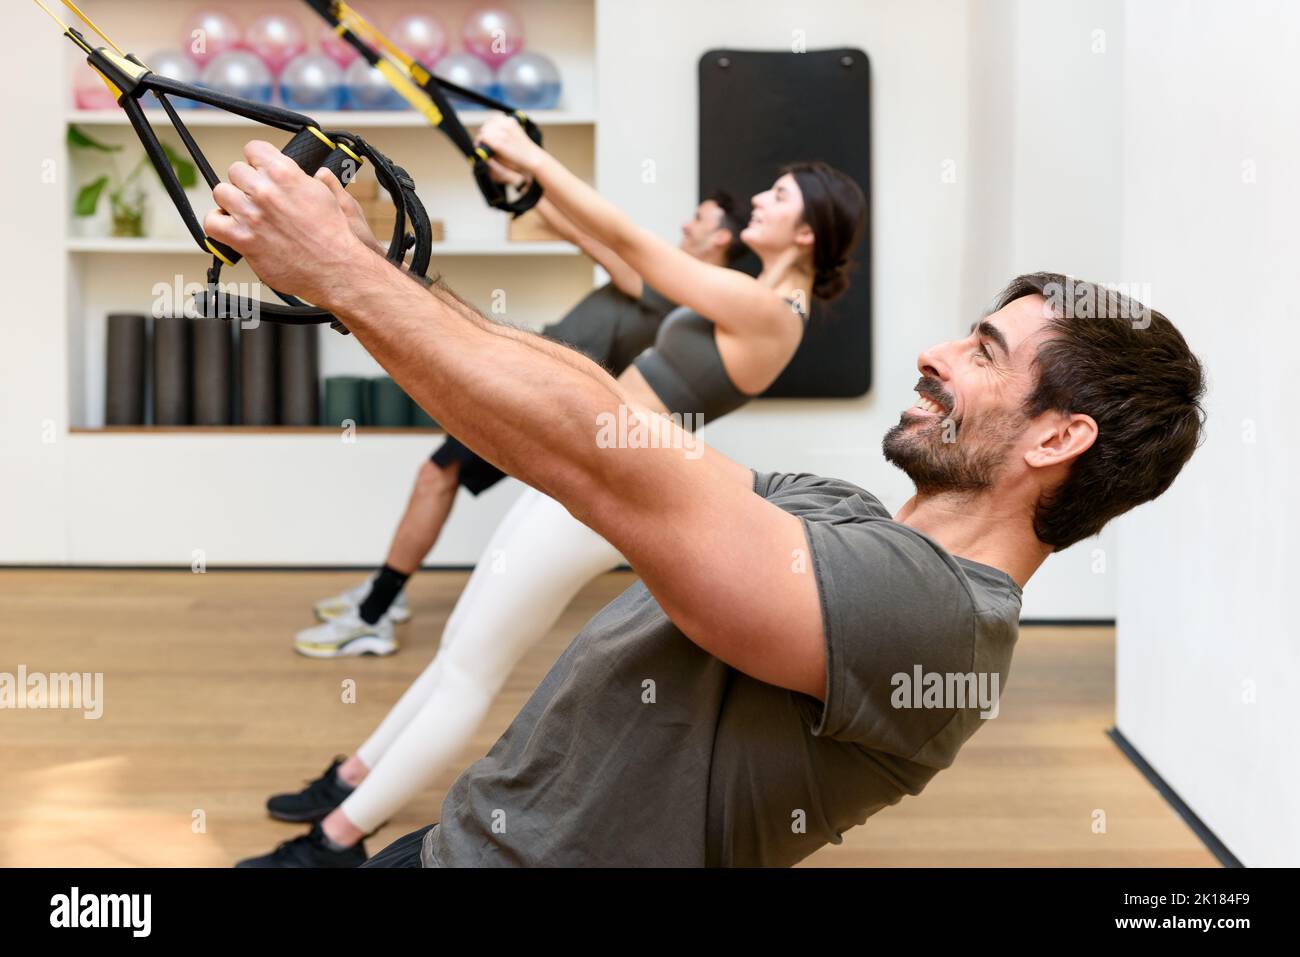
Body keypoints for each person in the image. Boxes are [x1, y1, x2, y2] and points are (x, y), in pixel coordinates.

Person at [206, 129, 1204, 865]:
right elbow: (597, 431)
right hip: (461, 843)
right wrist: (362, 269)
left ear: (1058, 436)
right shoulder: (836, 512)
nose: (933, 352)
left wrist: (342, 271)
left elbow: (599, 458)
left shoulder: (939, 623)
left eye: (982, 350)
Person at [236, 116, 866, 866]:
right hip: (587, 474)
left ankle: (333, 843)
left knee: (471, 669)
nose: (759, 198)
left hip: (612, 495)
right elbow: (619, 255)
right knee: (460, 650)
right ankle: (352, 779)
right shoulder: (744, 296)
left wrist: (537, 157)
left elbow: (636, 245)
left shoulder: (770, 311)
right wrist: (532, 189)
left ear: (808, 235)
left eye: (781, 194)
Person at [295, 188, 749, 657]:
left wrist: (536, 191)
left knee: (437, 476)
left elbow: (592, 241)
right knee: (438, 475)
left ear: (719, 236)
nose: (687, 225)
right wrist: (529, 191)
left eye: (699, 218)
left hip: (539, 395)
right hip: (527, 378)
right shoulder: (674, 282)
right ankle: (383, 593)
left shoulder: (676, 287)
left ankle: (374, 614)